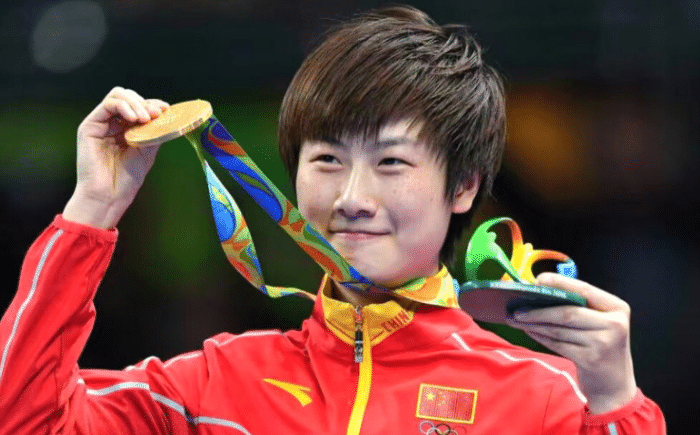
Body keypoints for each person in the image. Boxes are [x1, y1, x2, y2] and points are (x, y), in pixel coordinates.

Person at [0, 5, 665, 434]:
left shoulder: (543, 399)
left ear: (463, 185)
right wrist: (94, 207)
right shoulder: (211, 386)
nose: (351, 196)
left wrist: (618, 401)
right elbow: (24, 418)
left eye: (391, 162)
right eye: (326, 159)